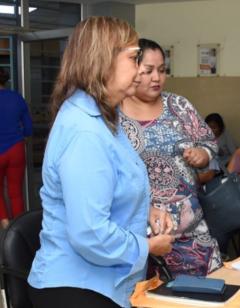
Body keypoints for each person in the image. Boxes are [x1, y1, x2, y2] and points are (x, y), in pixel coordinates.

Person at [27, 17, 174, 308]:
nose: (140, 70)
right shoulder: (85, 131)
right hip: (76, 289)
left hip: (104, 285)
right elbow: (89, 232)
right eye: (134, 58)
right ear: (104, 61)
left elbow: (109, 188)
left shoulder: (106, 119)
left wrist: (146, 210)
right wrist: (147, 247)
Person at [119, 38, 222, 276]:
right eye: (148, 71)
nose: (157, 77)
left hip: (190, 233)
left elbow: (209, 143)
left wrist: (203, 155)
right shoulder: (115, 115)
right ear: (132, 70)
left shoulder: (179, 105)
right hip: (137, 238)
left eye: (162, 70)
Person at [0, 67, 32, 229]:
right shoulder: (17, 98)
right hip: (16, 149)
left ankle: (5, 223)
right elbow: (28, 127)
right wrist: (22, 138)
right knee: (15, 190)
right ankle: (20, 226)